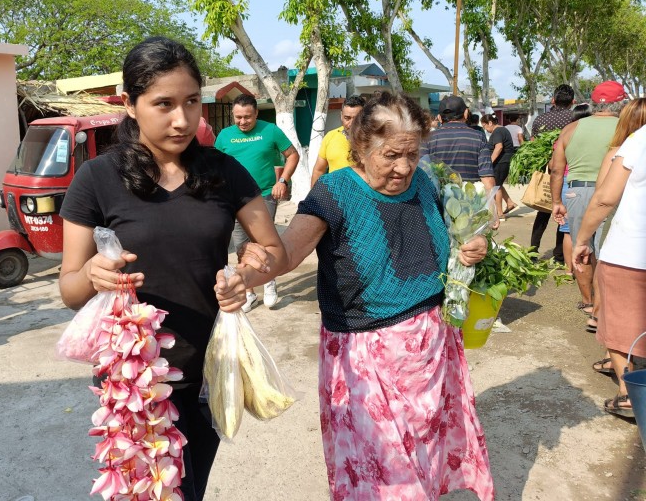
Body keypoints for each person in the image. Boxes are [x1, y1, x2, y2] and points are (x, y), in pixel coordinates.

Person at [57, 37, 285, 501]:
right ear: (130, 104)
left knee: (190, 488)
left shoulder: (224, 171)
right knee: (144, 492)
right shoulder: (97, 178)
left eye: (191, 102)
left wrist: (248, 272)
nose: (183, 120)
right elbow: (70, 288)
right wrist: (94, 275)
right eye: (163, 104)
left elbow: (272, 250)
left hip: (207, 368)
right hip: (134, 381)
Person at [240, 92, 494, 500]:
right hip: (367, 357)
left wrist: (470, 246)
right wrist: (247, 273)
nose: (404, 167)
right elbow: (284, 255)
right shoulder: (335, 192)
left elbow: (441, 242)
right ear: (361, 145)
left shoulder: (424, 182)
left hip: (432, 349)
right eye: (392, 155)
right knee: (384, 476)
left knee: (426, 457)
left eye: (412, 154)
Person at [573, 122, 646, 418]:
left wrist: (582, 239)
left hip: (631, 250)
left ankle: (628, 395)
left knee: (619, 322)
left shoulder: (638, 140)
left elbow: (605, 197)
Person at [215, 93, 299, 311]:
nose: (243, 122)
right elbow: (215, 166)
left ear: (256, 113)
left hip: (263, 195)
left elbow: (292, 155)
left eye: (248, 117)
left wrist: (283, 180)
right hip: (233, 199)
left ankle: (269, 281)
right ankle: (250, 291)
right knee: (241, 246)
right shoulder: (224, 136)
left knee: (264, 242)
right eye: (238, 117)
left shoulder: (270, 130)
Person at [551, 81, 624, 332]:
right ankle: (606, 309)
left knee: (582, 247)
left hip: (576, 191)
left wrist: (557, 202)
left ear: (592, 103)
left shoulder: (571, 128)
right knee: (609, 249)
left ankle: (589, 303)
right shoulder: (627, 129)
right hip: (614, 190)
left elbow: (557, 168)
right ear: (622, 103)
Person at [530, 84, 575, 261]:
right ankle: (559, 254)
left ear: (553, 100)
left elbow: (533, 144)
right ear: (573, 102)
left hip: (547, 173)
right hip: (567, 171)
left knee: (543, 211)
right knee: (563, 213)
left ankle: (533, 251)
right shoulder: (575, 120)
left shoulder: (540, 120)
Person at [422, 95, 495, 192]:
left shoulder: (427, 138)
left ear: (439, 117)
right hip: (470, 202)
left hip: (435, 202)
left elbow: (421, 173)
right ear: (466, 113)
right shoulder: (479, 137)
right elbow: (488, 179)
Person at [558, 104, 594, 279]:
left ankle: (568, 270)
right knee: (593, 231)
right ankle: (593, 272)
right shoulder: (597, 137)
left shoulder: (566, 134)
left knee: (569, 231)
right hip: (592, 185)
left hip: (569, 184)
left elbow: (553, 166)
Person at [310, 95, 365, 186]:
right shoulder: (330, 136)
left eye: (356, 119)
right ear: (341, 116)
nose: (351, 124)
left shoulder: (373, 139)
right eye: (347, 118)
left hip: (362, 197)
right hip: (333, 197)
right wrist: (313, 198)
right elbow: (318, 170)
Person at [481, 114, 517, 217]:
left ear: (490, 123)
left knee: (496, 186)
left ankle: (500, 213)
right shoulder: (501, 130)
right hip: (504, 161)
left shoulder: (498, 131)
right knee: (499, 184)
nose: (485, 129)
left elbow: (499, 147)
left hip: (501, 161)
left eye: (485, 126)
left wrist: (490, 162)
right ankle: (509, 203)